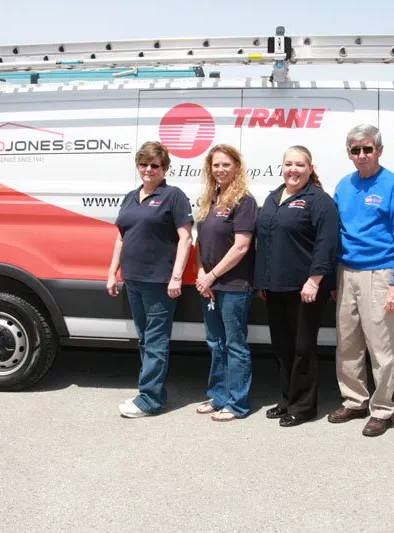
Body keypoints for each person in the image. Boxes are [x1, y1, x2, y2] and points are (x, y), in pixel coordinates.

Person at [327, 125, 394, 437]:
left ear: (379, 150)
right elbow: (336, 234)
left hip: (380, 274)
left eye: (368, 149)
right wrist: (334, 277)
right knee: (347, 343)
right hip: (346, 272)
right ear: (349, 153)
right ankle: (354, 400)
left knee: (381, 347)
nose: (362, 155)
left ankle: (382, 409)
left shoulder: (393, 186)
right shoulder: (344, 186)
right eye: (356, 150)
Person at [254, 145, 340, 427]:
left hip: (305, 289)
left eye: (300, 165)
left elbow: (327, 244)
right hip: (275, 287)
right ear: (282, 167)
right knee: (282, 347)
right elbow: (264, 241)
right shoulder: (273, 197)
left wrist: (314, 281)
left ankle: (303, 407)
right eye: (289, 164)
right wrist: (262, 281)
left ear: (310, 169)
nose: (293, 169)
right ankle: (286, 399)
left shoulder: (319, 200)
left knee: (303, 348)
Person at [106, 141, 193, 418]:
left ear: (164, 168)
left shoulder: (173, 196)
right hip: (133, 279)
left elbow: (185, 238)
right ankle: (150, 392)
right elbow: (121, 238)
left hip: (159, 282)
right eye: (143, 164)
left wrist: (176, 277)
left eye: (155, 165)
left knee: (155, 340)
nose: (148, 169)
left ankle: (149, 400)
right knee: (145, 338)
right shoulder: (131, 197)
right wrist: (112, 272)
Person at [193, 144, 258, 422]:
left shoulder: (244, 201)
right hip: (209, 286)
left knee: (234, 345)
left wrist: (212, 276)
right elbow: (201, 242)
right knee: (215, 343)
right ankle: (218, 396)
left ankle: (237, 403)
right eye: (216, 165)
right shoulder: (210, 198)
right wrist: (201, 274)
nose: (220, 169)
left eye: (226, 164)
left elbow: (241, 247)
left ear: (237, 167)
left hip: (233, 286)